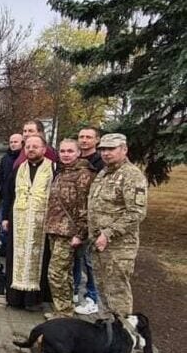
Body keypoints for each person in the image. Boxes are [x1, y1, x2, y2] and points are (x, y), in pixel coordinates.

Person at [88, 133, 147, 318]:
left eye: (111, 149)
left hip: (119, 248)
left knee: (117, 293)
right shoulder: (104, 173)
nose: (106, 153)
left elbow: (136, 212)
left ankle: (123, 335)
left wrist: (108, 234)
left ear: (124, 149)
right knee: (103, 291)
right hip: (99, 245)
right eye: (103, 149)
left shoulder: (131, 175)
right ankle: (108, 332)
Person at [43, 139, 96, 318]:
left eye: (70, 151)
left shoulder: (84, 175)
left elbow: (85, 207)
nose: (66, 154)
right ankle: (64, 310)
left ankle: (64, 311)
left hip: (70, 233)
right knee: (64, 273)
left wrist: (81, 234)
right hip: (55, 229)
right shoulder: (61, 172)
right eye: (63, 151)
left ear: (78, 153)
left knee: (56, 273)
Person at [2, 134, 55, 310]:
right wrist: (5, 218)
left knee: (39, 259)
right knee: (16, 258)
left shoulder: (52, 168)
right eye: (28, 147)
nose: (31, 149)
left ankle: (33, 301)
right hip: (19, 222)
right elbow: (9, 193)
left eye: (35, 146)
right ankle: (15, 299)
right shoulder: (19, 169)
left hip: (41, 223)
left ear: (44, 149)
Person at [72, 126, 105, 314]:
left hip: (93, 219)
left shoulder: (100, 163)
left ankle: (92, 297)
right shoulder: (77, 160)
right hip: (77, 218)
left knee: (89, 261)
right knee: (76, 256)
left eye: (88, 137)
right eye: (81, 137)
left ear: (97, 140)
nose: (84, 140)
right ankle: (75, 291)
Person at [0, 133, 23, 253]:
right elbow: (0, 175)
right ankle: (4, 245)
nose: (12, 144)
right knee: (2, 221)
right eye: (11, 142)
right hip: (5, 195)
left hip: (18, 196)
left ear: (22, 143)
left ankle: (12, 248)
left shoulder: (23, 158)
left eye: (15, 142)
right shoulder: (6, 158)